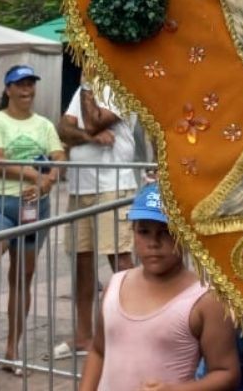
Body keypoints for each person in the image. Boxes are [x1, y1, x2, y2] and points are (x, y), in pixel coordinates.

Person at [80, 184, 241, 391]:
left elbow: (226, 373)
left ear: (186, 234)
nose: (153, 243)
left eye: (165, 232)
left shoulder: (206, 300)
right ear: (133, 232)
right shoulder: (116, 285)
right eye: (144, 232)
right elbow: (98, 351)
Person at [0, 64, 66, 371]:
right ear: (8, 89)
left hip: (34, 210)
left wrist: (49, 179)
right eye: (20, 84)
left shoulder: (44, 125)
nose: (26, 90)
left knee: (22, 276)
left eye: (31, 84)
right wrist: (35, 174)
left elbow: (59, 156)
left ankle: (11, 349)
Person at [60, 81, 140, 362]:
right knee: (81, 259)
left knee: (120, 260)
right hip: (80, 185)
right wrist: (89, 138)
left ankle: (134, 335)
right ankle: (83, 335)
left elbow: (95, 121)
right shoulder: (84, 89)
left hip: (112, 185)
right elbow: (64, 129)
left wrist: (85, 88)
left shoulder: (120, 86)